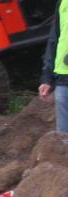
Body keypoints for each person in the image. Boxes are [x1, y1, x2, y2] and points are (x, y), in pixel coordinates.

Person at [39, 0, 68, 133]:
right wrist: (47, 78)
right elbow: (54, 39)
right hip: (63, 79)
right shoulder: (63, 3)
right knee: (62, 140)